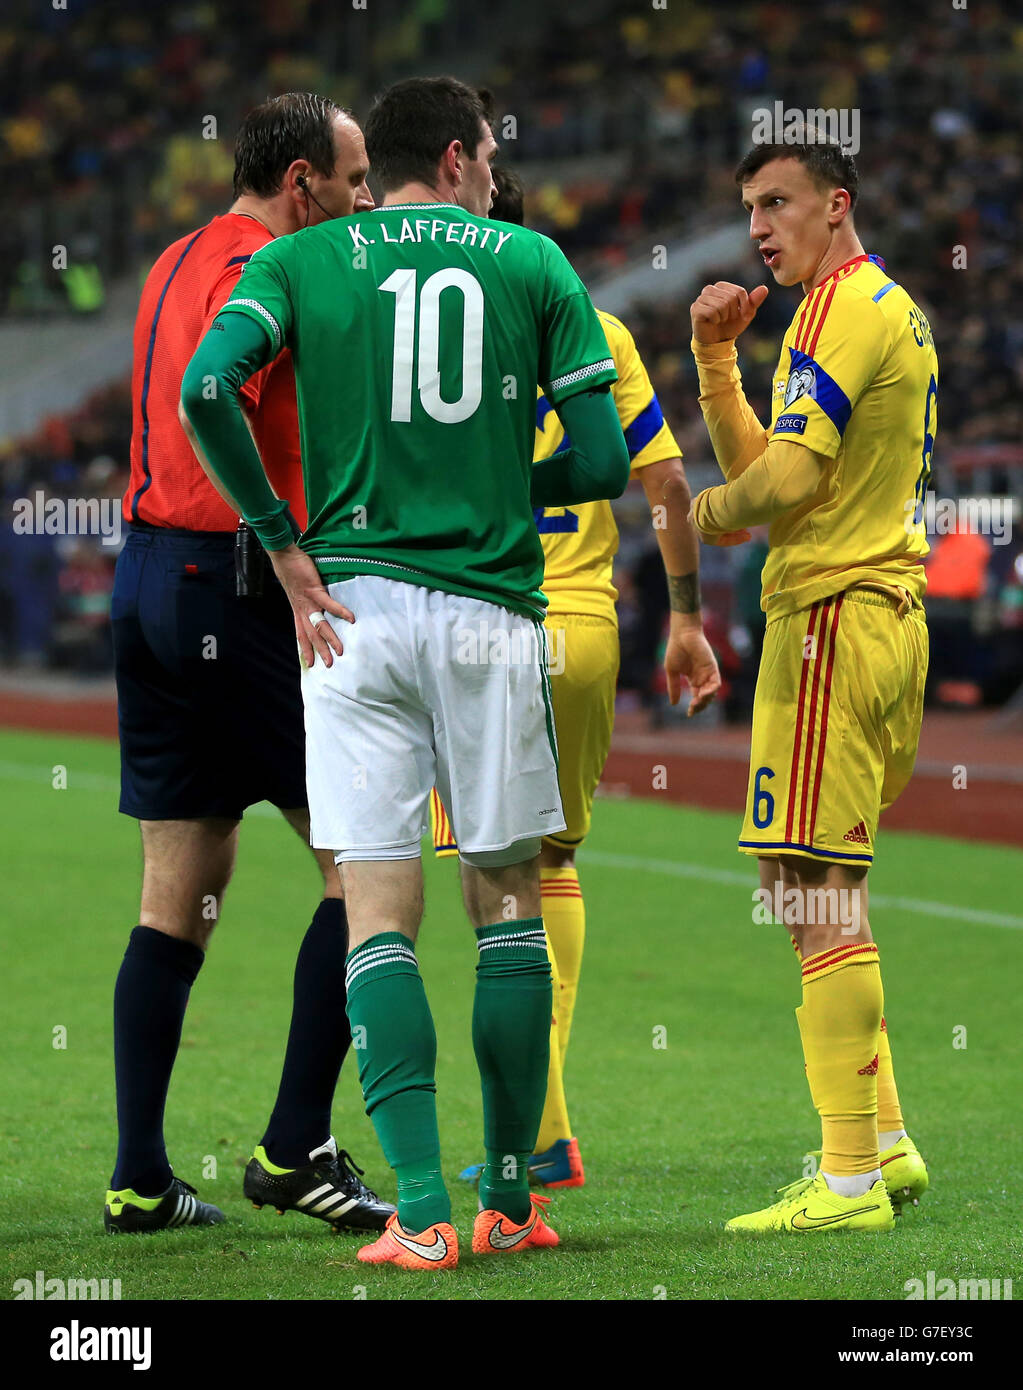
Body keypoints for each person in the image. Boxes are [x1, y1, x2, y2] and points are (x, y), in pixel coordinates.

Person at [181, 76, 630, 1270]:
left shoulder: (306, 256)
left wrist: (281, 542)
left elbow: (206, 389)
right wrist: (500, 486)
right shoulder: (531, 264)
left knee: (375, 913)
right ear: (459, 153)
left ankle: (423, 1216)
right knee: (508, 900)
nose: (494, 170)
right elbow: (602, 459)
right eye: (488, 152)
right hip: (489, 615)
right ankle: (513, 1201)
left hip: (348, 615)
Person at [107, 93, 392, 1235]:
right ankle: (292, 1148)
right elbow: (210, 395)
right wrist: (283, 541)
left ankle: (138, 1176)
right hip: (233, 586)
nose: (366, 197)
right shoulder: (269, 274)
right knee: (367, 867)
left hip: (147, 583)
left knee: (175, 895)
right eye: (357, 178)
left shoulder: (173, 256)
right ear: (302, 186)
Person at [432, 166, 721, 1190]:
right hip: (586, 631)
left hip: (475, 621)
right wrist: (685, 617)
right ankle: (543, 1127)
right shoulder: (597, 329)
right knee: (551, 861)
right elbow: (669, 483)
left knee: (486, 878)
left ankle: (535, 1134)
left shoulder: (432, 342)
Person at [688, 139, 935, 1233]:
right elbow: (781, 477)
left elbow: (775, 485)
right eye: (749, 208)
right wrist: (714, 366)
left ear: (837, 206)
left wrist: (684, 518)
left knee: (818, 886)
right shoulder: (862, 309)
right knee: (802, 877)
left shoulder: (844, 304)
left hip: (840, 614)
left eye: (777, 203)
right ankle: (881, 1139)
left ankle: (845, 1184)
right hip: (855, 608)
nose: (758, 227)